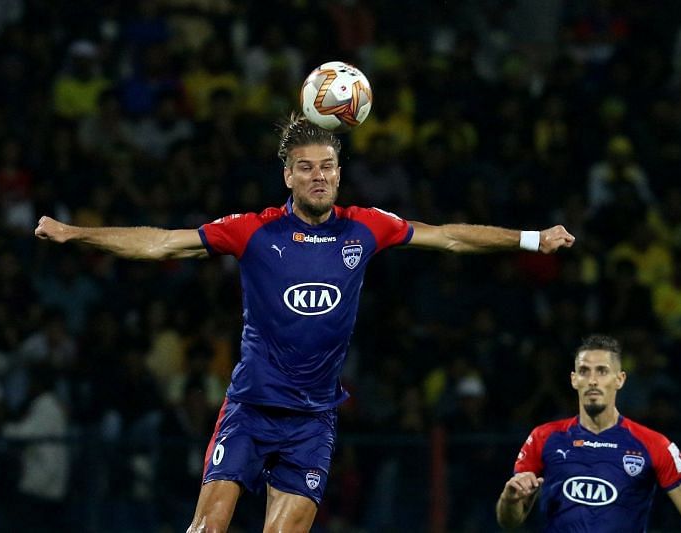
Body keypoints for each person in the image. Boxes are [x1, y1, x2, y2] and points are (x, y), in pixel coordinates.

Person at [34, 113, 575, 532]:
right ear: (287, 174)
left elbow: (449, 236)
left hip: (313, 420)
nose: (318, 177)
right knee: (208, 526)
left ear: (340, 173)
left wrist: (533, 239)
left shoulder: (367, 227)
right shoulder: (252, 231)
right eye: (306, 168)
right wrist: (75, 233)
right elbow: (162, 244)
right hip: (251, 406)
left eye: (327, 167)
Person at [495, 334, 681, 532]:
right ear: (573, 379)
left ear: (620, 379)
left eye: (602, 371)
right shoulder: (544, 437)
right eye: (584, 371)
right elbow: (509, 521)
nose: (592, 380)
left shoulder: (653, 444)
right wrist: (509, 499)